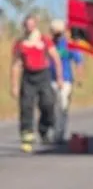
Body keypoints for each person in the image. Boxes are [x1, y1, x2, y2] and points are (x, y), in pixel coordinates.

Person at [10, 14, 63, 152]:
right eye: (27, 25)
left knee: (48, 103)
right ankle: (27, 136)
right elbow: (16, 65)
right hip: (28, 76)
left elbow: (56, 58)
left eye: (31, 25)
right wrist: (14, 85)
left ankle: (44, 129)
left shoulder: (44, 40)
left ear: (35, 25)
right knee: (26, 106)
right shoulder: (20, 43)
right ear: (24, 26)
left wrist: (59, 78)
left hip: (43, 75)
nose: (29, 28)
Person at [48, 18, 84, 144]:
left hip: (66, 79)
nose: (57, 35)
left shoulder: (68, 44)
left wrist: (79, 77)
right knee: (50, 106)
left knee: (62, 106)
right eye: (54, 32)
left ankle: (59, 133)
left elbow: (78, 60)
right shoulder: (49, 44)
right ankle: (50, 130)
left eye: (59, 32)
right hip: (49, 79)